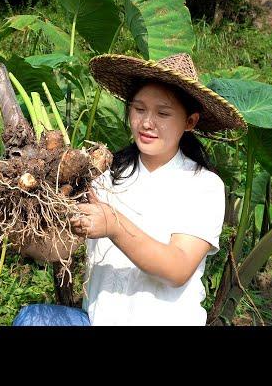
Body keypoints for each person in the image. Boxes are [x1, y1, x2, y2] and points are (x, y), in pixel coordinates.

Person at [12, 52, 246, 326]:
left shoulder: (203, 186)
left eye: (163, 113)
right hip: (97, 321)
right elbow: (58, 250)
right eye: (139, 109)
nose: (147, 122)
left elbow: (178, 267)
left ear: (190, 122)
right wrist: (23, 222)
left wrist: (114, 225)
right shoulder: (104, 176)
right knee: (33, 320)